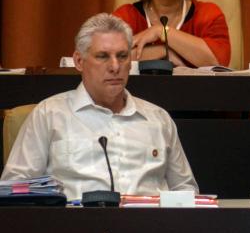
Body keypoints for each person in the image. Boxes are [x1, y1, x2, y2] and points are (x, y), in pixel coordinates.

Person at [1, 13, 198, 201]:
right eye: (103, 56)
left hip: (150, 230)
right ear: (79, 61)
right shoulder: (49, 115)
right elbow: (14, 190)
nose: (114, 66)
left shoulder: (158, 119)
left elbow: (187, 192)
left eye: (122, 56)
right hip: (72, 231)